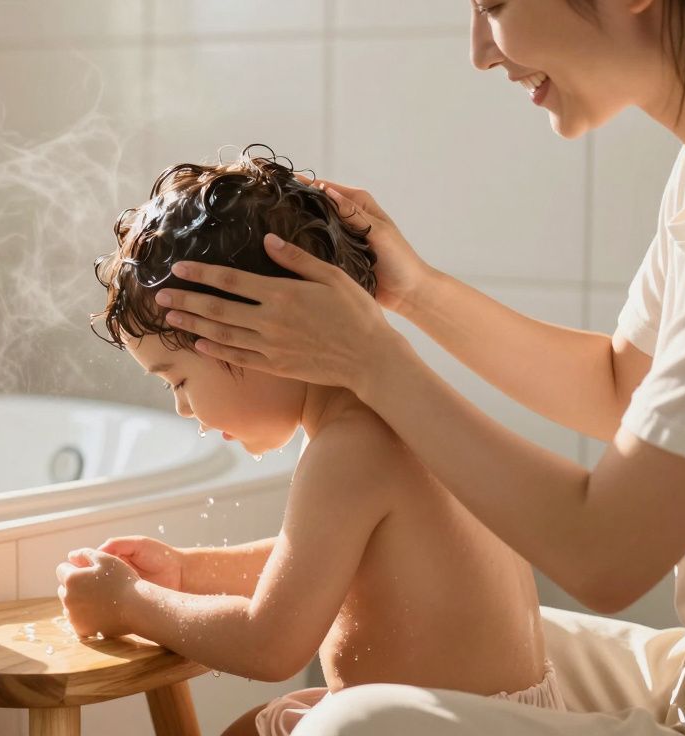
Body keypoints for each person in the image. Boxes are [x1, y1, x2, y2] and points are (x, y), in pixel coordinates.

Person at [149, 1, 685, 733]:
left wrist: (375, 360)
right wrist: (419, 294)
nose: (479, 50)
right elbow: (624, 390)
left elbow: (606, 557)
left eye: (493, 3)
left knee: (356, 724)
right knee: (432, 643)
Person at [56, 148, 565, 736]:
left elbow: (269, 645)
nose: (183, 407)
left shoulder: (351, 448)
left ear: (256, 336)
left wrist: (129, 605)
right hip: (495, 717)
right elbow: (318, 563)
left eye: (179, 379)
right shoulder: (398, 414)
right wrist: (185, 570)